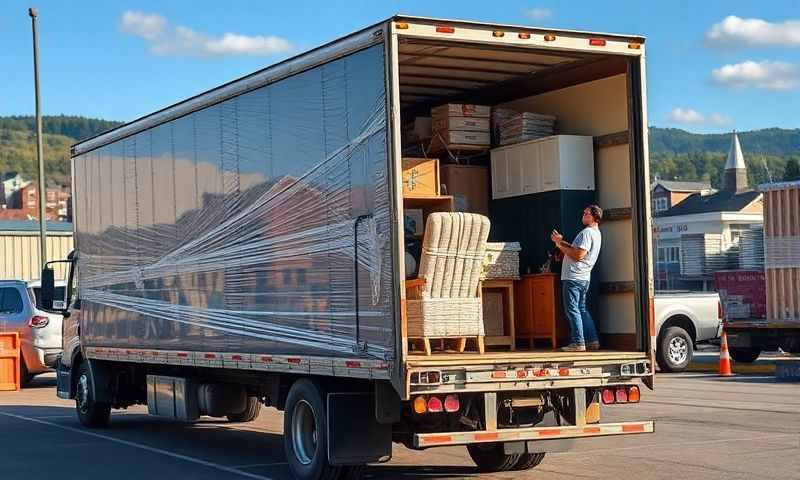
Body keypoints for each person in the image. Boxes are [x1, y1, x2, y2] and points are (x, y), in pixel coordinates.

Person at [551, 205, 603, 352]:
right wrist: (560, 242)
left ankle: (578, 342)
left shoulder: (587, 233)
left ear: (595, 218)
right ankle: (592, 341)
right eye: (584, 212)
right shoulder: (596, 233)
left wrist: (560, 246)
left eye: (587, 214)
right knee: (581, 309)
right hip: (583, 277)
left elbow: (578, 255)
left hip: (573, 276)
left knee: (572, 309)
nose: (584, 215)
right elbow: (576, 250)